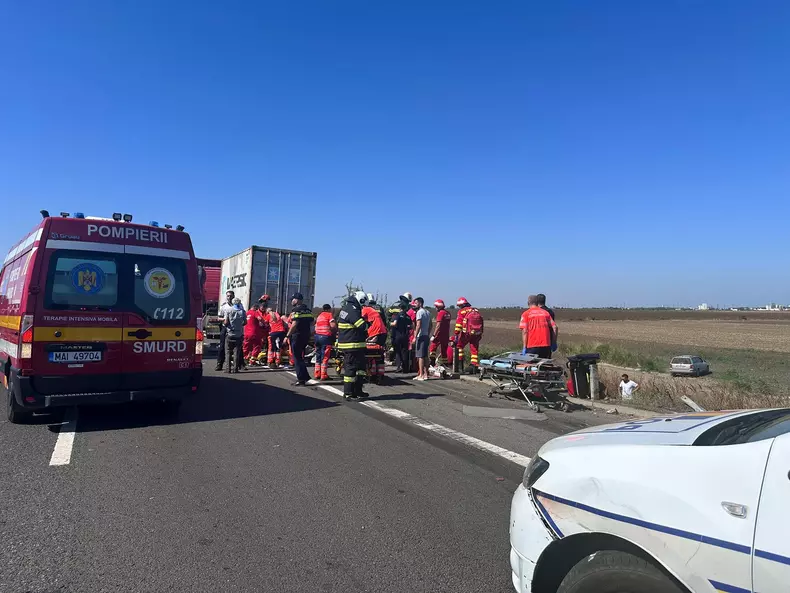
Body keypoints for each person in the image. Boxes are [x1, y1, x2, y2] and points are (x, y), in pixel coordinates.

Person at [337, 291, 369, 400]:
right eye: (363, 303)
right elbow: (360, 325)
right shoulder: (352, 309)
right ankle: (348, 393)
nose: (363, 306)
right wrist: (367, 324)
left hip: (355, 344)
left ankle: (358, 390)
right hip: (352, 345)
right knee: (351, 369)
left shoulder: (347, 308)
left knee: (360, 369)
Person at [287, 292, 314, 386]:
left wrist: (288, 335)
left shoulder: (296, 310)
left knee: (297, 358)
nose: (292, 301)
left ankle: (301, 379)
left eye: (293, 299)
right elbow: (312, 324)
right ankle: (305, 376)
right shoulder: (308, 310)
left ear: (297, 300)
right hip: (305, 336)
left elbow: (294, 324)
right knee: (300, 357)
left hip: (297, 336)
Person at [519, 294, 557, 359]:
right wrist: (553, 342)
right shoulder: (545, 313)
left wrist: (524, 347)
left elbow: (525, 331)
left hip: (532, 346)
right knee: (544, 366)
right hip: (546, 346)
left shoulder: (526, 314)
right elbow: (555, 327)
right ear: (537, 303)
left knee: (532, 367)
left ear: (528, 303)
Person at [452, 297, 484, 373]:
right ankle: (474, 366)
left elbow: (459, 324)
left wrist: (456, 334)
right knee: (474, 349)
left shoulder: (462, 311)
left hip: (466, 333)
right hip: (477, 333)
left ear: (461, 305)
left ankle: (460, 367)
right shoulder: (475, 310)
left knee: (459, 346)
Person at [362, 296, 388, 384]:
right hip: (383, 332)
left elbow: (358, 320)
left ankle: (372, 374)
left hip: (376, 332)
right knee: (379, 354)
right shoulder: (377, 309)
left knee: (370, 353)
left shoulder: (365, 309)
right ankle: (380, 374)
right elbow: (384, 320)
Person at [216, 290, 239, 371]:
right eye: (228, 296)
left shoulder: (238, 306)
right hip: (225, 327)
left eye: (231, 296)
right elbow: (219, 317)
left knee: (238, 347)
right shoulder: (224, 306)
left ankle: (239, 364)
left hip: (235, 328)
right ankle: (219, 364)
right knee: (222, 346)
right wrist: (225, 319)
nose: (229, 298)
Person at [223, 298, 247, 373]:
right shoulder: (242, 311)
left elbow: (226, 322)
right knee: (237, 352)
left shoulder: (229, 310)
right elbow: (245, 322)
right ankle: (235, 369)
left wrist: (225, 325)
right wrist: (239, 325)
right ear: (239, 303)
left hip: (230, 333)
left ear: (233, 303)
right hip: (239, 334)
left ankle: (228, 369)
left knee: (228, 351)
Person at [314, 304, 336, 380]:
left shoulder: (319, 316)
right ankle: (323, 374)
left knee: (318, 355)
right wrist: (334, 332)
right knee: (325, 356)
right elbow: (333, 326)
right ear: (329, 309)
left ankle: (317, 373)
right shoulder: (329, 315)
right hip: (325, 337)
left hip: (317, 337)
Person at [411, 297, 431, 381]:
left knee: (420, 356)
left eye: (415, 303)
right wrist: (428, 333)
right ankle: (426, 374)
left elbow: (418, 325)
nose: (414, 305)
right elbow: (430, 325)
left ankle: (421, 375)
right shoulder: (428, 312)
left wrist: (415, 336)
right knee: (425, 355)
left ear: (420, 303)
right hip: (426, 335)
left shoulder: (419, 312)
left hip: (420, 336)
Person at [390, 301, 412, 373]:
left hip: (398, 336)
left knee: (398, 352)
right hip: (405, 336)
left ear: (400, 308)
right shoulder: (408, 317)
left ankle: (399, 367)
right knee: (404, 351)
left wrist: (389, 323)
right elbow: (412, 326)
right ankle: (405, 368)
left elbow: (395, 323)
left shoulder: (398, 315)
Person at [429, 299, 451, 366]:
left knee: (433, 347)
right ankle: (445, 364)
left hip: (439, 334)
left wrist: (433, 335)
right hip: (446, 334)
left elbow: (438, 325)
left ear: (439, 306)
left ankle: (432, 362)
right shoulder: (448, 313)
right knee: (444, 350)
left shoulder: (440, 313)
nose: (435, 308)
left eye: (436, 306)